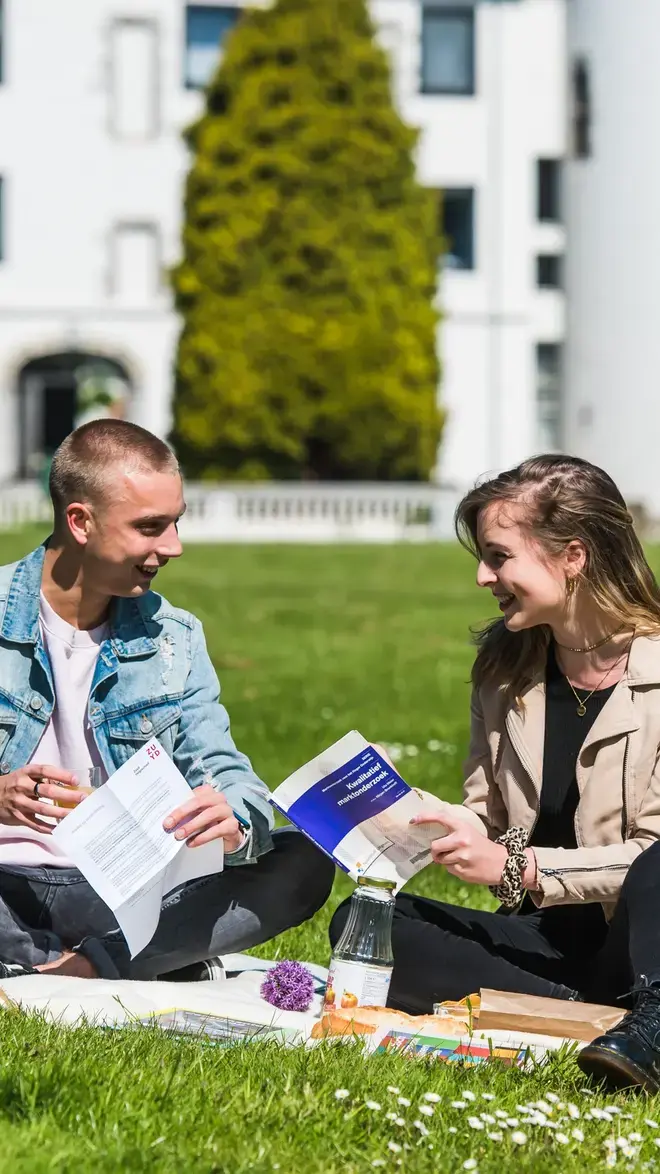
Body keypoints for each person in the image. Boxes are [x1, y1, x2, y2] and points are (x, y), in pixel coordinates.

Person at [330, 454, 660, 1091]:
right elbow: (487, 817)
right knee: (367, 924)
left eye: (499, 556)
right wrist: (411, 809)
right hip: (548, 942)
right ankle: (594, 1017)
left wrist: (519, 869)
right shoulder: (505, 670)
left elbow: (649, 863)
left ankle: (645, 1014)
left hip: (642, 944)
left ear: (573, 556)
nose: (484, 576)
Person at [0, 419, 334, 982]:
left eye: (176, 522)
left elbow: (229, 774)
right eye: (150, 527)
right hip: (6, 883)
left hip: (121, 888)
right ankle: (105, 962)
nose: (173, 546)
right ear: (80, 521)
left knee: (302, 861)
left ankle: (74, 967)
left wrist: (233, 821)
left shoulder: (175, 638)